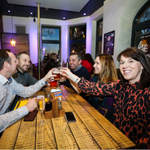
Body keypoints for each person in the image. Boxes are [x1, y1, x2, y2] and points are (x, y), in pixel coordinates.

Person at [61, 47, 150, 148]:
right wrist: (70, 75)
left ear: (142, 65)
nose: (125, 66)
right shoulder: (119, 85)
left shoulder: (147, 91)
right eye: (122, 62)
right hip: (115, 140)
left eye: (130, 61)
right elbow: (93, 88)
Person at [0, 49, 55, 133]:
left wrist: (45, 78)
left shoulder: (10, 80)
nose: (17, 63)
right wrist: (26, 108)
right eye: (15, 61)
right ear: (6, 65)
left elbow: (26, 92)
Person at [85, 54, 118, 122]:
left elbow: (106, 110)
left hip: (102, 121)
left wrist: (88, 116)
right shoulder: (94, 78)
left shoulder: (111, 84)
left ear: (106, 66)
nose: (94, 65)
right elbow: (84, 91)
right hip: (89, 114)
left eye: (97, 63)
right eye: (94, 63)